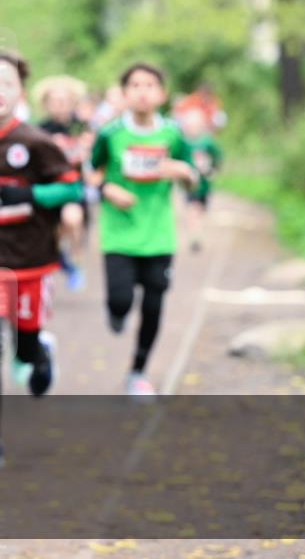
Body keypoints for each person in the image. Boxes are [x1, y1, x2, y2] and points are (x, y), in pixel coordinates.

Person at [0, 50, 83, 468]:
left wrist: (29, 194)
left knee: (24, 348)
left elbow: (72, 189)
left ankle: (39, 352)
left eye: (7, 83)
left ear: (21, 94)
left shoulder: (36, 142)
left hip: (31, 261)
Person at [90, 63, 197, 399]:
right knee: (121, 300)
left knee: (153, 307)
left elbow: (193, 178)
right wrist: (108, 189)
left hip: (159, 235)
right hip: (119, 234)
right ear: (124, 94)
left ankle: (138, 371)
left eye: (150, 85)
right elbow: (91, 173)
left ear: (162, 94)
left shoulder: (173, 134)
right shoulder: (110, 134)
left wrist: (183, 172)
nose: (142, 92)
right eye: (135, 85)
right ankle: (116, 311)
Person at [35, 75, 92, 291]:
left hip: (73, 187)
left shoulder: (82, 128)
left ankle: (75, 258)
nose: (59, 105)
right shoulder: (40, 130)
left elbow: (94, 158)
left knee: (72, 218)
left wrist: (86, 152)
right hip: (48, 188)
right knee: (50, 238)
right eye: (55, 101)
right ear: (46, 104)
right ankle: (65, 264)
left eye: (64, 100)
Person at [177, 106, 221, 253]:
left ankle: (198, 233)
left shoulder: (207, 143)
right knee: (192, 209)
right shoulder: (183, 143)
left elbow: (217, 157)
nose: (192, 127)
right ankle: (194, 237)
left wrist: (213, 170)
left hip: (204, 185)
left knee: (200, 210)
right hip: (189, 184)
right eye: (190, 124)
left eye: (195, 124)